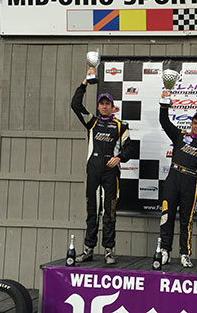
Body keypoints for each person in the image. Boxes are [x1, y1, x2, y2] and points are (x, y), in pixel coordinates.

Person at [71, 68, 132, 265]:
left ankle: (108, 250)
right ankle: (88, 249)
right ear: (98, 107)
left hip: (111, 173)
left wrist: (120, 158)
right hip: (93, 171)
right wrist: (85, 82)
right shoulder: (92, 122)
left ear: (113, 108)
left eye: (108, 104)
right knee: (92, 211)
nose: (105, 107)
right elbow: (75, 104)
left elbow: (130, 149)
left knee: (109, 212)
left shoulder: (121, 126)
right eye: (102, 104)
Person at [157, 90, 197, 268]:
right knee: (167, 216)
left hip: (192, 182)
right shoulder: (180, 135)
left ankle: (185, 253)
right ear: (191, 123)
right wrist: (164, 104)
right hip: (173, 178)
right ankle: (165, 251)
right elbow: (164, 122)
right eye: (195, 122)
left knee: (186, 220)